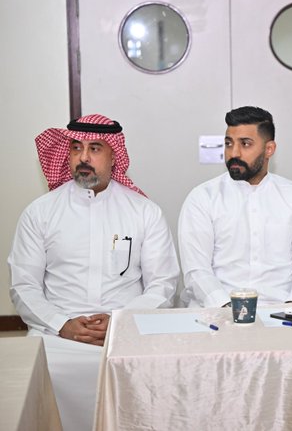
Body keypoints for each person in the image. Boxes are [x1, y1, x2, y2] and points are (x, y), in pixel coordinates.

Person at [8, 114, 180, 431]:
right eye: (76, 148)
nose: (83, 157)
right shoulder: (40, 212)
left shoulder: (145, 212)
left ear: (114, 156)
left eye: (95, 148)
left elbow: (163, 285)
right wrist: (62, 324)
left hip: (126, 331)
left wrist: (120, 321)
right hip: (56, 337)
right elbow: (23, 286)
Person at [178, 106, 292, 307]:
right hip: (216, 312)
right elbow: (196, 270)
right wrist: (227, 309)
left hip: (282, 312)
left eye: (245, 144)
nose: (234, 153)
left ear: (269, 149)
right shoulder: (202, 198)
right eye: (228, 144)